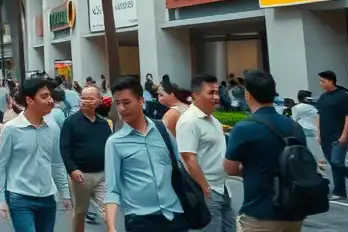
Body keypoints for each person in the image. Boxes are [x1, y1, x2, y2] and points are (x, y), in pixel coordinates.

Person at [224, 69, 310, 231]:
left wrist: (254, 169)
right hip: (294, 212)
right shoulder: (294, 126)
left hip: (259, 215)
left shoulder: (244, 128)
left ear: (248, 96)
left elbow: (230, 168)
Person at [104, 75, 187, 232]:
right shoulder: (115, 142)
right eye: (118, 103)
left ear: (141, 101)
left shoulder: (163, 130)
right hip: (140, 220)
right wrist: (111, 226)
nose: (121, 108)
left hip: (175, 215)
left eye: (126, 102)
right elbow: (112, 188)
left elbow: (180, 164)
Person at [0, 76, 70, 232]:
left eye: (50, 96)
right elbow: (1, 166)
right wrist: (1, 198)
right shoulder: (11, 129)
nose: (50, 100)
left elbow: (57, 163)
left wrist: (65, 193)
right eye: (44, 97)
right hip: (20, 197)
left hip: (48, 198)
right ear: (29, 100)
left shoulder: (53, 128)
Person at [176, 74, 233, 232]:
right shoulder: (189, 121)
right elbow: (189, 159)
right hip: (207, 191)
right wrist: (205, 188)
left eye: (217, 92)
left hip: (223, 188)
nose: (216, 97)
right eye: (210, 93)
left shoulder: (213, 120)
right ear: (195, 95)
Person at [60, 85, 111, 232]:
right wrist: (72, 169)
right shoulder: (71, 122)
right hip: (81, 175)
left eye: (90, 98)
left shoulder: (104, 124)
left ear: (99, 101)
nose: (85, 101)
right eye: (83, 98)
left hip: (102, 175)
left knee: (108, 211)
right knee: (80, 212)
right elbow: (64, 148)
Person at [315, 69, 348, 200]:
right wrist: (318, 133)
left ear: (330, 81)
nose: (320, 83)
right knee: (334, 165)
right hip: (325, 136)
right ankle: (339, 191)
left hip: (338, 135)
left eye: (322, 81)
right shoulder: (323, 97)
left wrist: (345, 135)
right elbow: (318, 114)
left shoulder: (345, 96)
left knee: (337, 163)